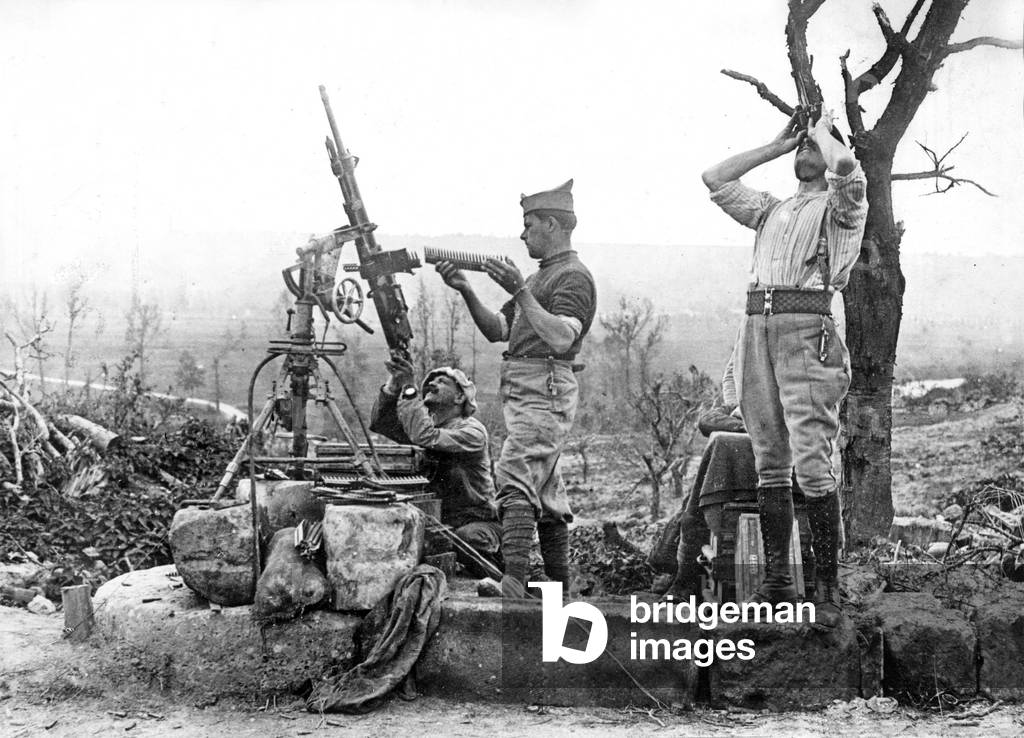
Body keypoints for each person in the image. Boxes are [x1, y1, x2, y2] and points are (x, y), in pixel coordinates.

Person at [701, 107, 867, 630]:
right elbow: (716, 178)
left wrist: (824, 128)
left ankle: (825, 587)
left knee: (813, 462)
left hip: (806, 328)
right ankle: (777, 582)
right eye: (802, 148)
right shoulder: (772, 209)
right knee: (770, 459)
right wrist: (781, 144)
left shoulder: (842, 205)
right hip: (758, 327)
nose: (805, 153)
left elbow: (846, 168)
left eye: (812, 147)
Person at [436, 179, 597, 598]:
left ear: (553, 224)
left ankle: (514, 585)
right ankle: (560, 588)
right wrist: (467, 290)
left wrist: (521, 291)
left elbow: (562, 337)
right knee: (545, 486)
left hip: (546, 388)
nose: (523, 234)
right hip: (527, 390)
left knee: (514, 476)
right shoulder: (540, 277)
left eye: (529, 225)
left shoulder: (573, 278)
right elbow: (498, 329)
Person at [369, 353, 502, 574]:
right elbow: (381, 423)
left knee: (467, 539)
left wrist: (410, 386)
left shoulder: (471, 430)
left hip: (478, 523)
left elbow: (425, 436)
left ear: (460, 397)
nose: (432, 384)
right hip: (441, 523)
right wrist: (394, 384)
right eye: (430, 382)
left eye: (442, 382)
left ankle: (508, 575)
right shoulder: (427, 427)